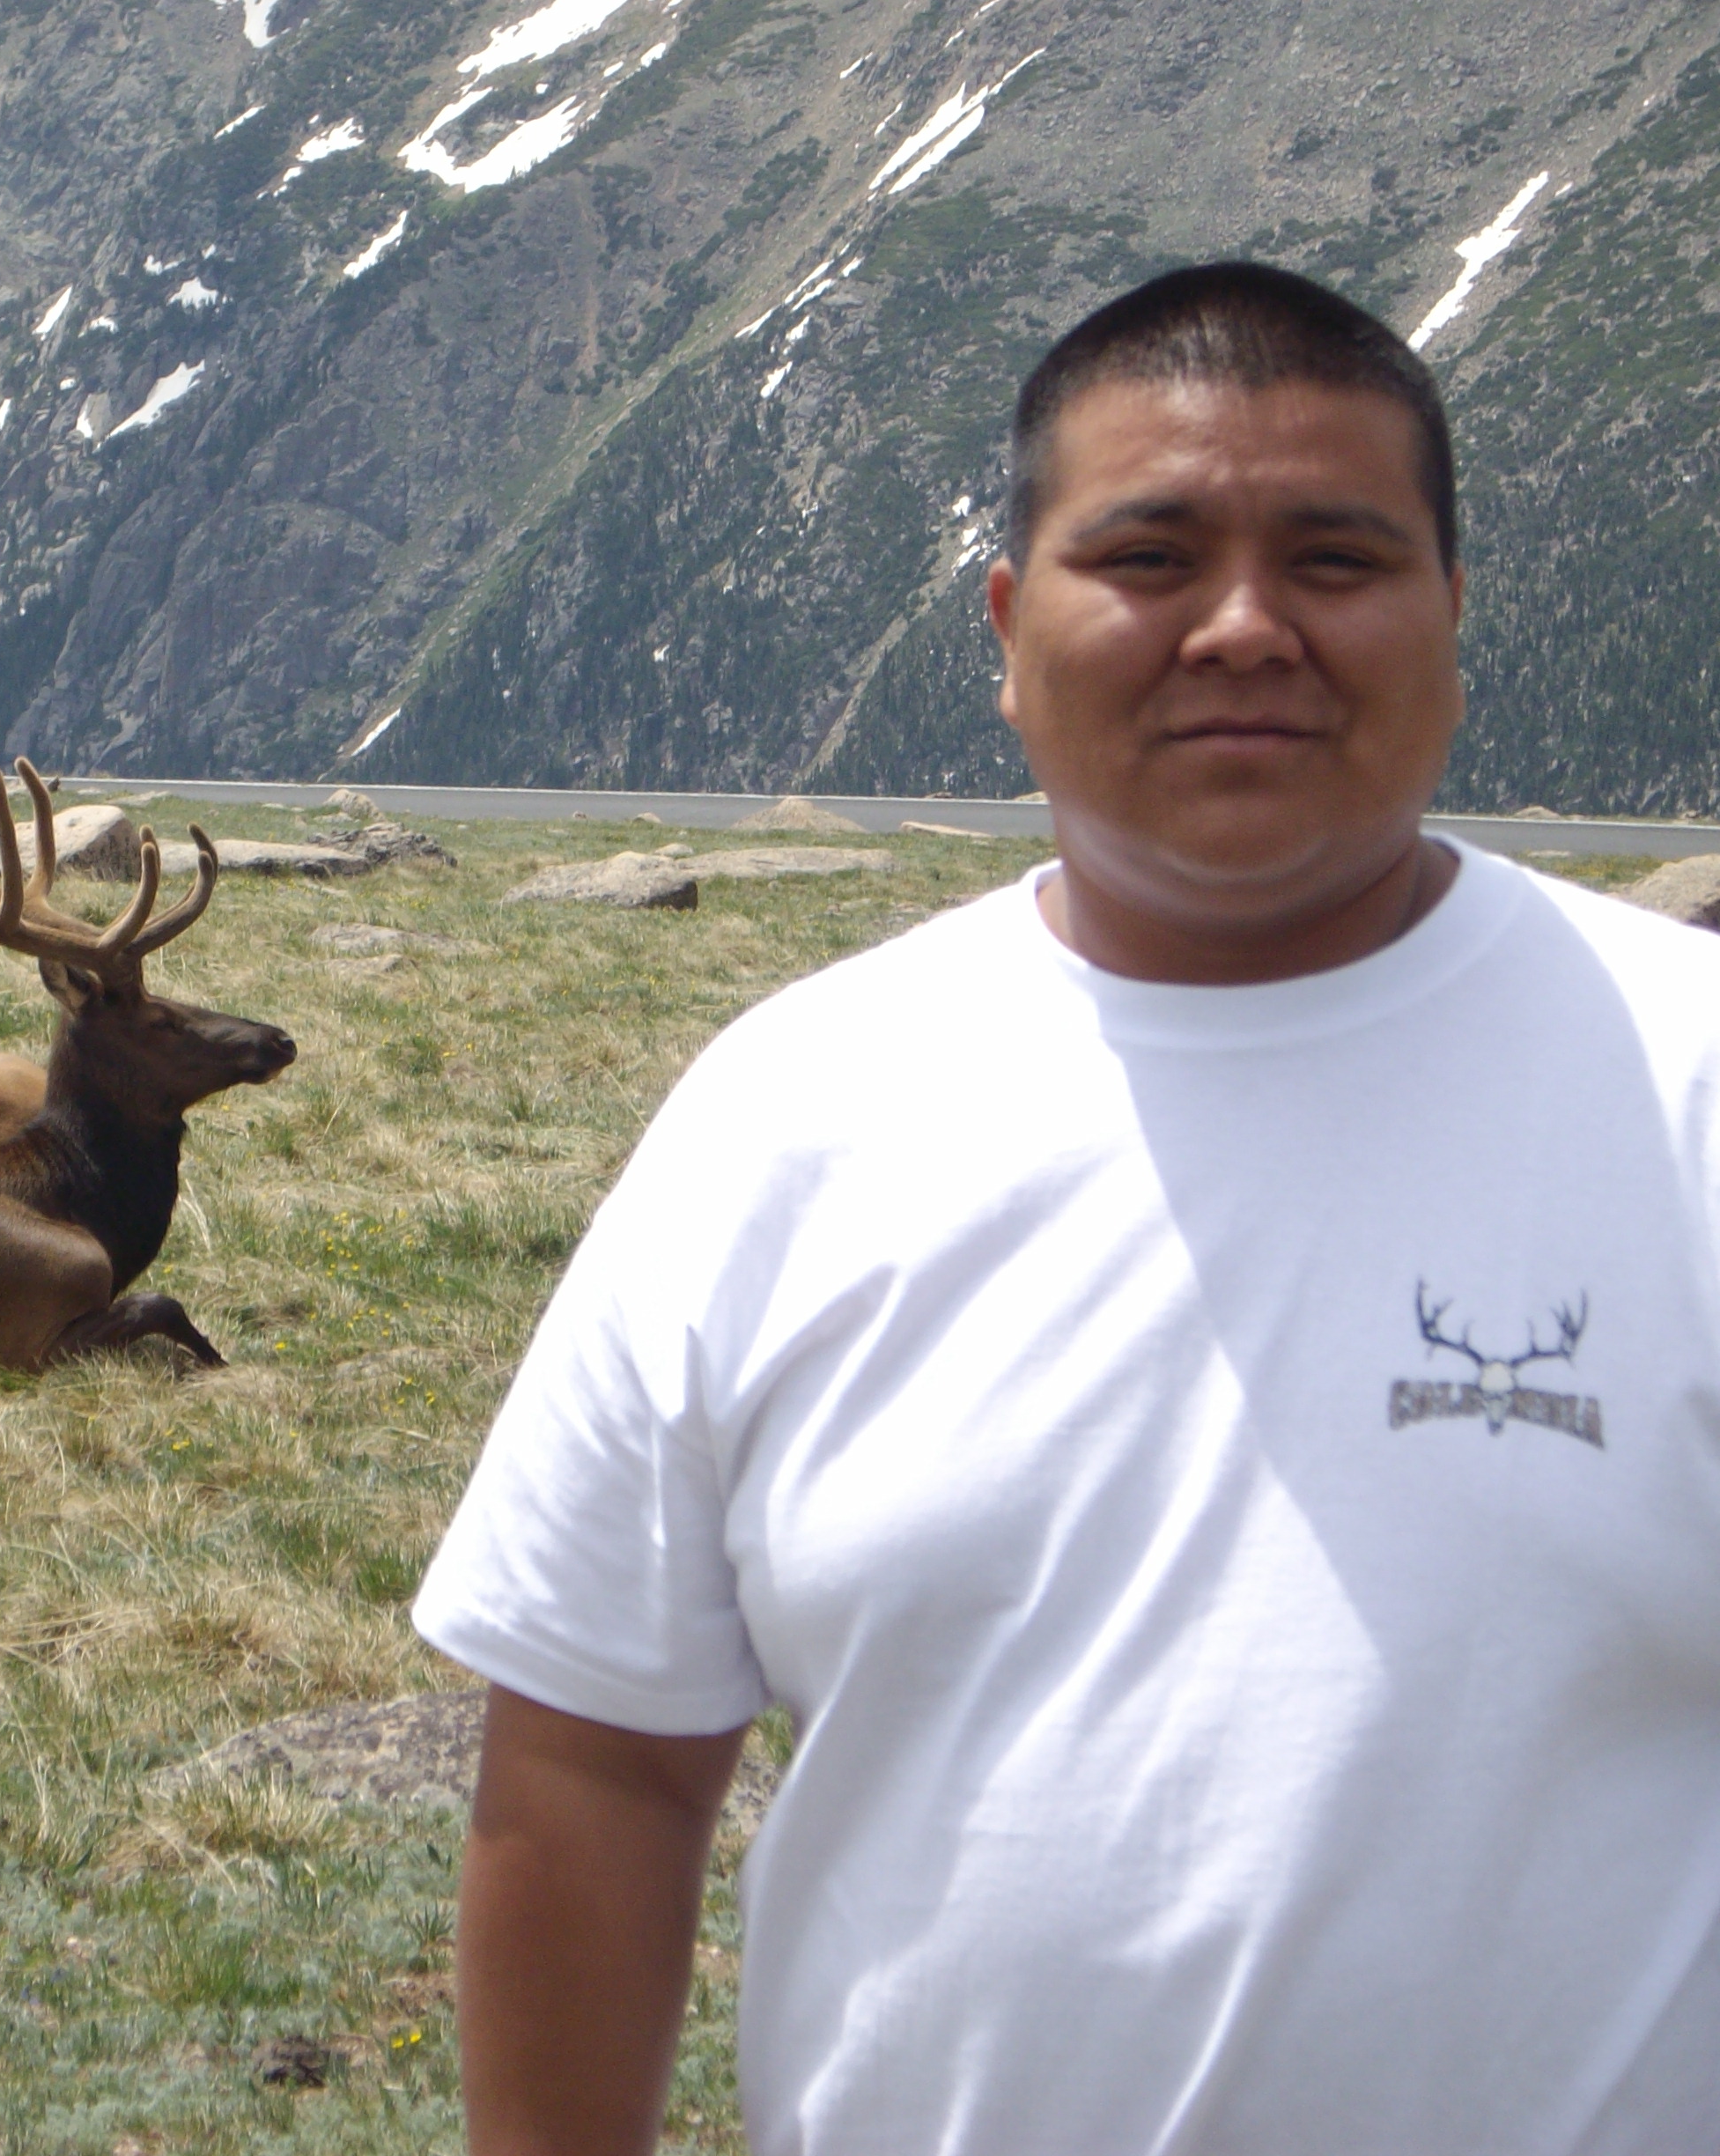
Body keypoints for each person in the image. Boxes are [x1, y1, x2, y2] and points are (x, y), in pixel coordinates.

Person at [413, 262, 1720, 2154]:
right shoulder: (789, 1116)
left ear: (1452, 611)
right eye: (1151, 558)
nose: (1246, 628)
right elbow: (594, 1769)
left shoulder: (1690, 1084)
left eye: (1337, 560)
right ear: (1012, 627)